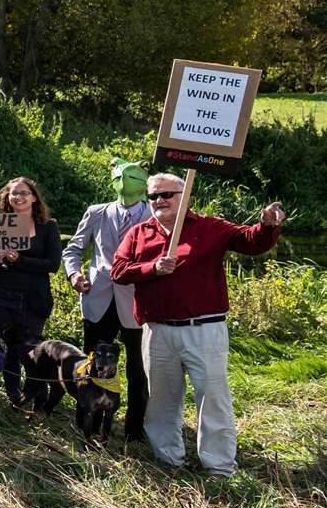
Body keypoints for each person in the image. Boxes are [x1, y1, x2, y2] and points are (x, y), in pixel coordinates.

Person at [111, 174, 283, 476]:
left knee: (212, 398)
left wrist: (268, 225)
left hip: (204, 329)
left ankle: (219, 467)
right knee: (161, 401)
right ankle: (168, 460)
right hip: (157, 332)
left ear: (185, 194)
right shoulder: (139, 233)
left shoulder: (210, 227)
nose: (159, 201)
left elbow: (251, 241)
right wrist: (153, 268)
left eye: (166, 194)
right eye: (153, 196)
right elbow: (119, 269)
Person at [62, 160, 151, 443]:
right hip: (98, 299)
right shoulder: (97, 212)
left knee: (139, 368)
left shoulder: (155, 216)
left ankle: (134, 429)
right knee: (92, 364)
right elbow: (73, 249)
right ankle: (86, 421)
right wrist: (74, 274)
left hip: (137, 302)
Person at [0, 177, 61, 405]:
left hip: (32, 298)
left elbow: (53, 264)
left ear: (34, 197)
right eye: (14, 193)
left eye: (24, 193)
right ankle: (14, 398)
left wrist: (21, 260)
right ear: (7, 197)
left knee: (32, 349)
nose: (19, 197)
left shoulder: (48, 227)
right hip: (0, 295)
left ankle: (38, 397)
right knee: (9, 350)